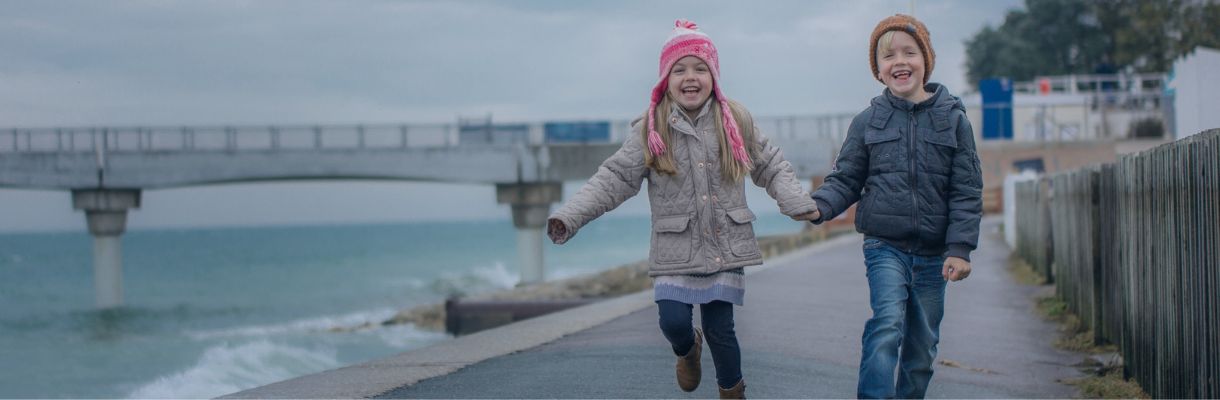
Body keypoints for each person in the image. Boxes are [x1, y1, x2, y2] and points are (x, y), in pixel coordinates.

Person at [546, 19, 818, 399]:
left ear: (714, 76)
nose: (691, 77)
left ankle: (732, 392)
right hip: (676, 246)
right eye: (680, 69)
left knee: (722, 331)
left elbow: (770, 164)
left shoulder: (734, 120)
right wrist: (569, 215)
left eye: (700, 68)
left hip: (726, 243)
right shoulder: (651, 127)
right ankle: (688, 349)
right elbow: (614, 178)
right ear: (665, 78)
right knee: (672, 321)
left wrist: (795, 201)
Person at [805, 14, 983, 399]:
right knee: (886, 324)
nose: (899, 61)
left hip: (936, 254)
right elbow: (846, 179)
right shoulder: (868, 121)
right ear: (879, 71)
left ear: (926, 60)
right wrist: (819, 206)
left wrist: (960, 249)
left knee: (922, 347)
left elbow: (966, 190)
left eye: (909, 52)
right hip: (884, 245)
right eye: (888, 56)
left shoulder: (954, 120)